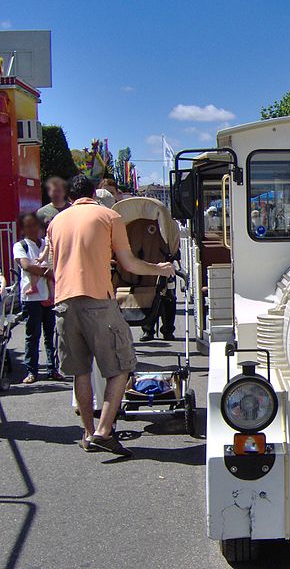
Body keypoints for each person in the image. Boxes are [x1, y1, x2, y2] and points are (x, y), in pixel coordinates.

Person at [48, 175, 175, 457]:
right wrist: (161, 269)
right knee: (122, 365)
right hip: (96, 300)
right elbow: (129, 262)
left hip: (64, 303)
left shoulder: (56, 222)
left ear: (71, 196)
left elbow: (53, 264)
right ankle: (105, 431)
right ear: (95, 193)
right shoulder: (108, 216)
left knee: (80, 372)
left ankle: (88, 432)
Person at [13, 213, 64, 384]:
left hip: (50, 296)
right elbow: (27, 266)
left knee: (51, 335)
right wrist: (49, 273)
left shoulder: (47, 244)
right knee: (32, 336)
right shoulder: (20, 246)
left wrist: (47, 272)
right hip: (31, 299)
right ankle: (31, 371)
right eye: (28, 226)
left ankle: (52, 369)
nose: (33, 229)